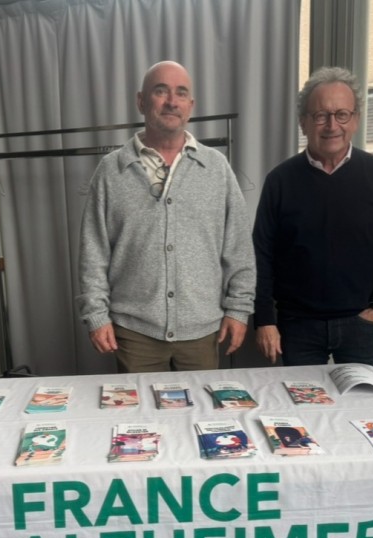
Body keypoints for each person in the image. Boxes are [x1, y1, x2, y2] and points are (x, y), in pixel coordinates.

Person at [76, 61, 255, 373]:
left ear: (190, 105)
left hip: (202, 331)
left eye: (181, 93)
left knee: (200, 405)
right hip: (134, 334)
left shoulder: (216, 168)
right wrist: (96, 315)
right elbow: (93, 252)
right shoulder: (111, 170)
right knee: (140, 407)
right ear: (141, 101)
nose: (172, 101)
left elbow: (238, 247)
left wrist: (238, 309)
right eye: (161, 91)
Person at [253, 66, 373, 376]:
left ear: (356, 120)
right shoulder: (280, 180)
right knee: (299, 406)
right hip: (296, 327)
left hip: (361, 325)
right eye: (320, 115)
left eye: (342, 114)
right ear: (303, 122)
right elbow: (261, 256)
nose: (331, 125)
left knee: (365, 403)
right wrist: (265, 319)